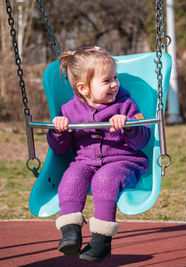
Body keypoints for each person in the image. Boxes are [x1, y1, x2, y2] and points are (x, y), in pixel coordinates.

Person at [47, 45, 151, 262]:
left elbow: (143, 139)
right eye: (106, 81)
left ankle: (101, 240)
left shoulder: (126, 105)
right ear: (84, 88)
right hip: (84, 161)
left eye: (115, 77)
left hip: (123, 161)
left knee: (106, 178)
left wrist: (129, 126)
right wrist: (58, 131)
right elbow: (61, 149)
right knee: (71, 177)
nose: (114, 84)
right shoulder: (68, 110)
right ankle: (70, 231)